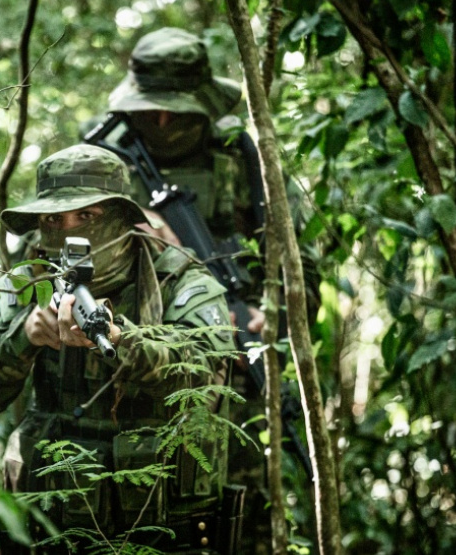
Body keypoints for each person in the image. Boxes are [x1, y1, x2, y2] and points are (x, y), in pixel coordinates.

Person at [92, 27, 322, 554]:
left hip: (232, 376)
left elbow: (300, 262)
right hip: (123, 374)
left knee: (235, 516)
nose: (164, 123)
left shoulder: (240, 155)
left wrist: (276, 311)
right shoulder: (102, 154)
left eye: (175, 110)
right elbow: (54, 254)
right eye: (152, 111)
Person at [0, 145, 240, 554]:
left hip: (162, 532)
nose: (69, 230)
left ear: (123, 219)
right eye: (54, 218)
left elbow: (207, 380)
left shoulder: (179, 280)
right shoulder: (29, 281)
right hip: (50, 531)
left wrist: (124, 340)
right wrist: (25, 336)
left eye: (87, 216)